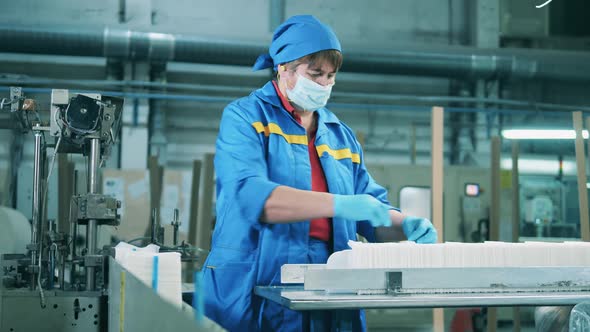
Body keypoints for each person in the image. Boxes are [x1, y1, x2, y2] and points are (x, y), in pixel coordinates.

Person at [202, 14, 438, 332]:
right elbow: (253, 197)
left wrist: (405, 225)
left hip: (329, 288)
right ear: (283, 66)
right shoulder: (246, 117)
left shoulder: (339, 134)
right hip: (259, 284)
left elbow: (370, 209)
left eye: (330, 75)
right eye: (315, 74)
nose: (324, 84)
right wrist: (339, 204)